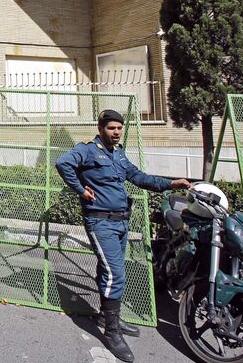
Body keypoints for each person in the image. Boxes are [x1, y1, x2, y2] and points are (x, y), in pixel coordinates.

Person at [55, 109, 191, 363]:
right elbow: (63, 163)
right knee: (115, 273)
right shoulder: (87, 150)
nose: (116, 132)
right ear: (100, 128)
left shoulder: (118, 153)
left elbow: (138, 177)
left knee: (109, 270)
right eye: (111, 128)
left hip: (120, 222)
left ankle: (108, 317)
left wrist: (171, 184)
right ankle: (112, 332)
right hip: (100, 221)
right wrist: (80, 190)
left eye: (119, 128)